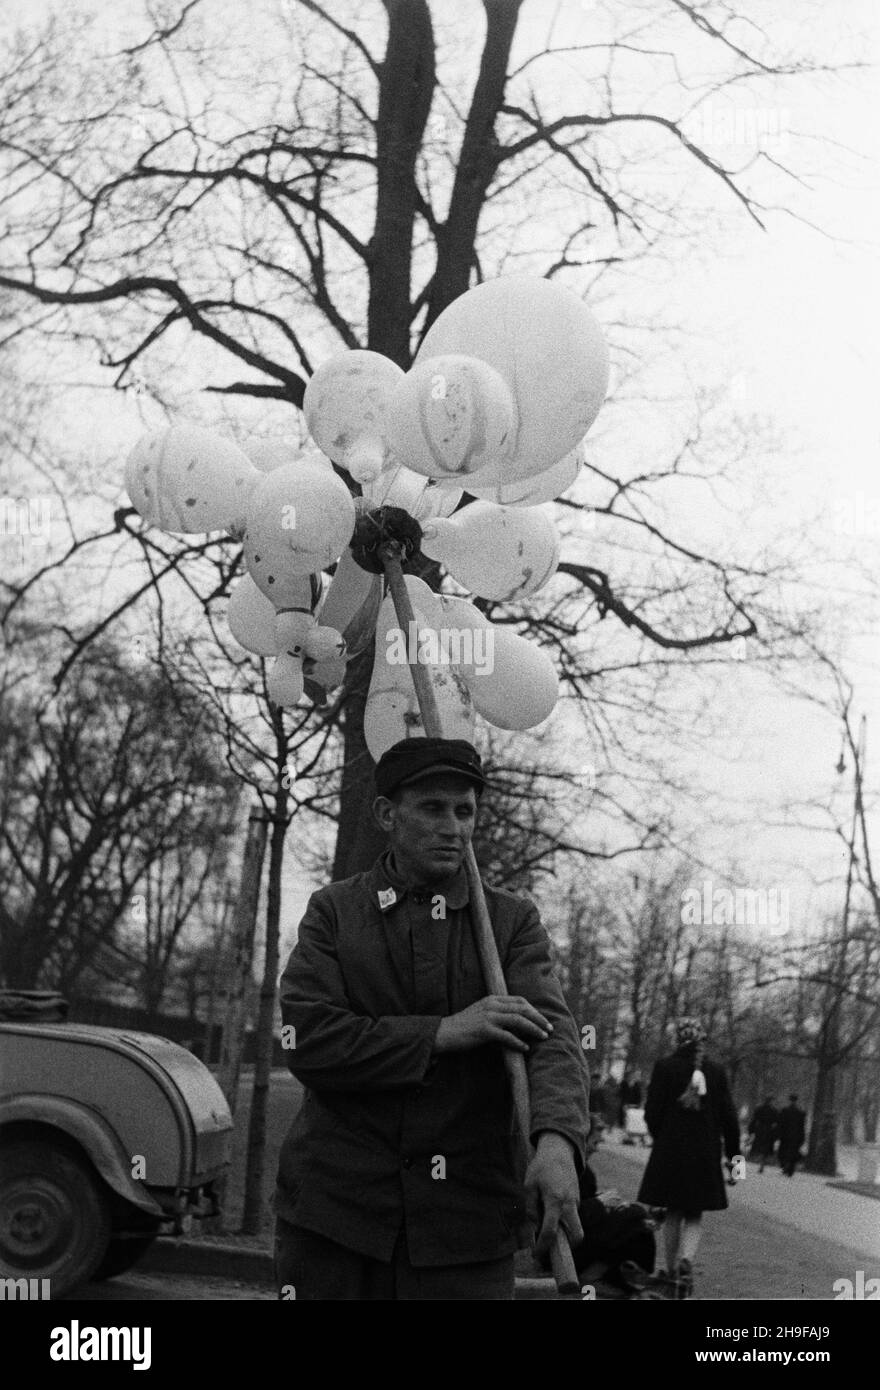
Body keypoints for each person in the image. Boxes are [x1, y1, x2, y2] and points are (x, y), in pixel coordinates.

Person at [274, 737, 590, 1301]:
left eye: (464, 810)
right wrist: (444, 1033)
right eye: (432, 808)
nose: (453, 827)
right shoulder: (335, 913)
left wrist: (557, 1142)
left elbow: (553, 1041)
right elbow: (309, 1040)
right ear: (386, 814)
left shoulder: (511, 923)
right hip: (336, 1222)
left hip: (464, 1232)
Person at [636, 1018, 742, 1299]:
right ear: (701, 1040)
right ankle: (687, 1261)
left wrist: (663, 1138)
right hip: (705, 1151)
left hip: (670, 1150)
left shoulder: (664, 1067)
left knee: (673, 1212)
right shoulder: (718, 1071)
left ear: (677, 1039)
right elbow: (731, 1120)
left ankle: (671, 1273)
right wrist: (736, 1164)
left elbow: (651, 1113)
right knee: (695, 1213)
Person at [777, 1094, 807, 1177]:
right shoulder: (800, 1112)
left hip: (786, 1135)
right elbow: (802, 1126)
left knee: (783, 1151)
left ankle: (785, 1166)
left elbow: (781, 1123)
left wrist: (779, 1134)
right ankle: (790, 1169)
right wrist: (802, 1137)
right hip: (796, 1136)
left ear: (789, 1100)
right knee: (793, 1153)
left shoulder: (785, 1111)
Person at [748, 1096, 779, 1173]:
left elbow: (754, 1119)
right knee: (765, 1149)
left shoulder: (759, 1109)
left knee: (759, 1146)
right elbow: (776, 1122)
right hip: (768, 1131)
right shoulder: (774, 1110)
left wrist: (751, 1130)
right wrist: (776, 1133)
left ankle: (758, 1160)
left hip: (760, 1130)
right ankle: (762, 1163)